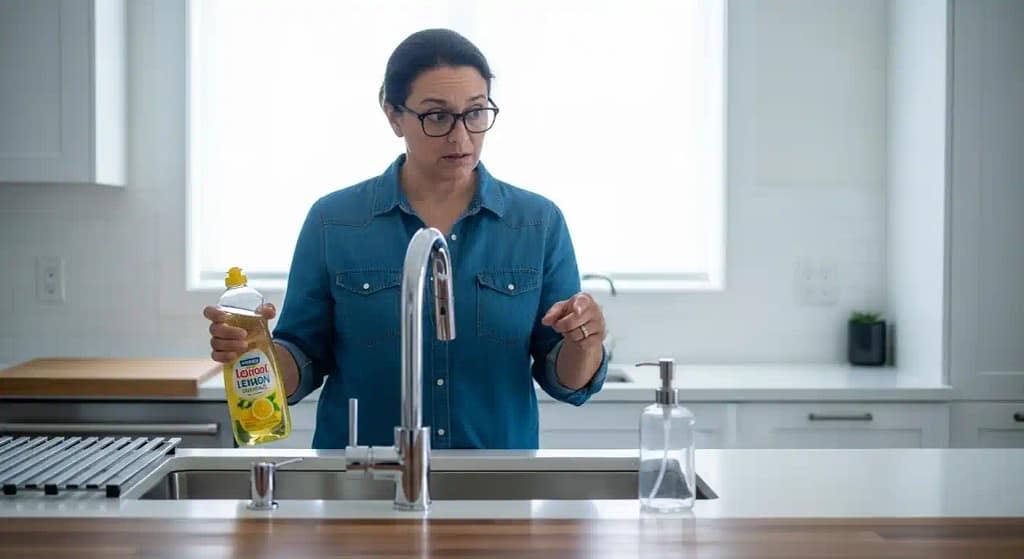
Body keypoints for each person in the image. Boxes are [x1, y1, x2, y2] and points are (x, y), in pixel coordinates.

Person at [203, 28, 607, 449]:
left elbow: (566, 381)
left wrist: (586, 342)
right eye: (437, 116)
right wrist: (255, 352)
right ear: (393, 115)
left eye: (475, 112)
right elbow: (303, 359)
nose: (460, 136)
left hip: (496, 481)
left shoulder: (537, 223)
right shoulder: (333, 221)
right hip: (363, 479)